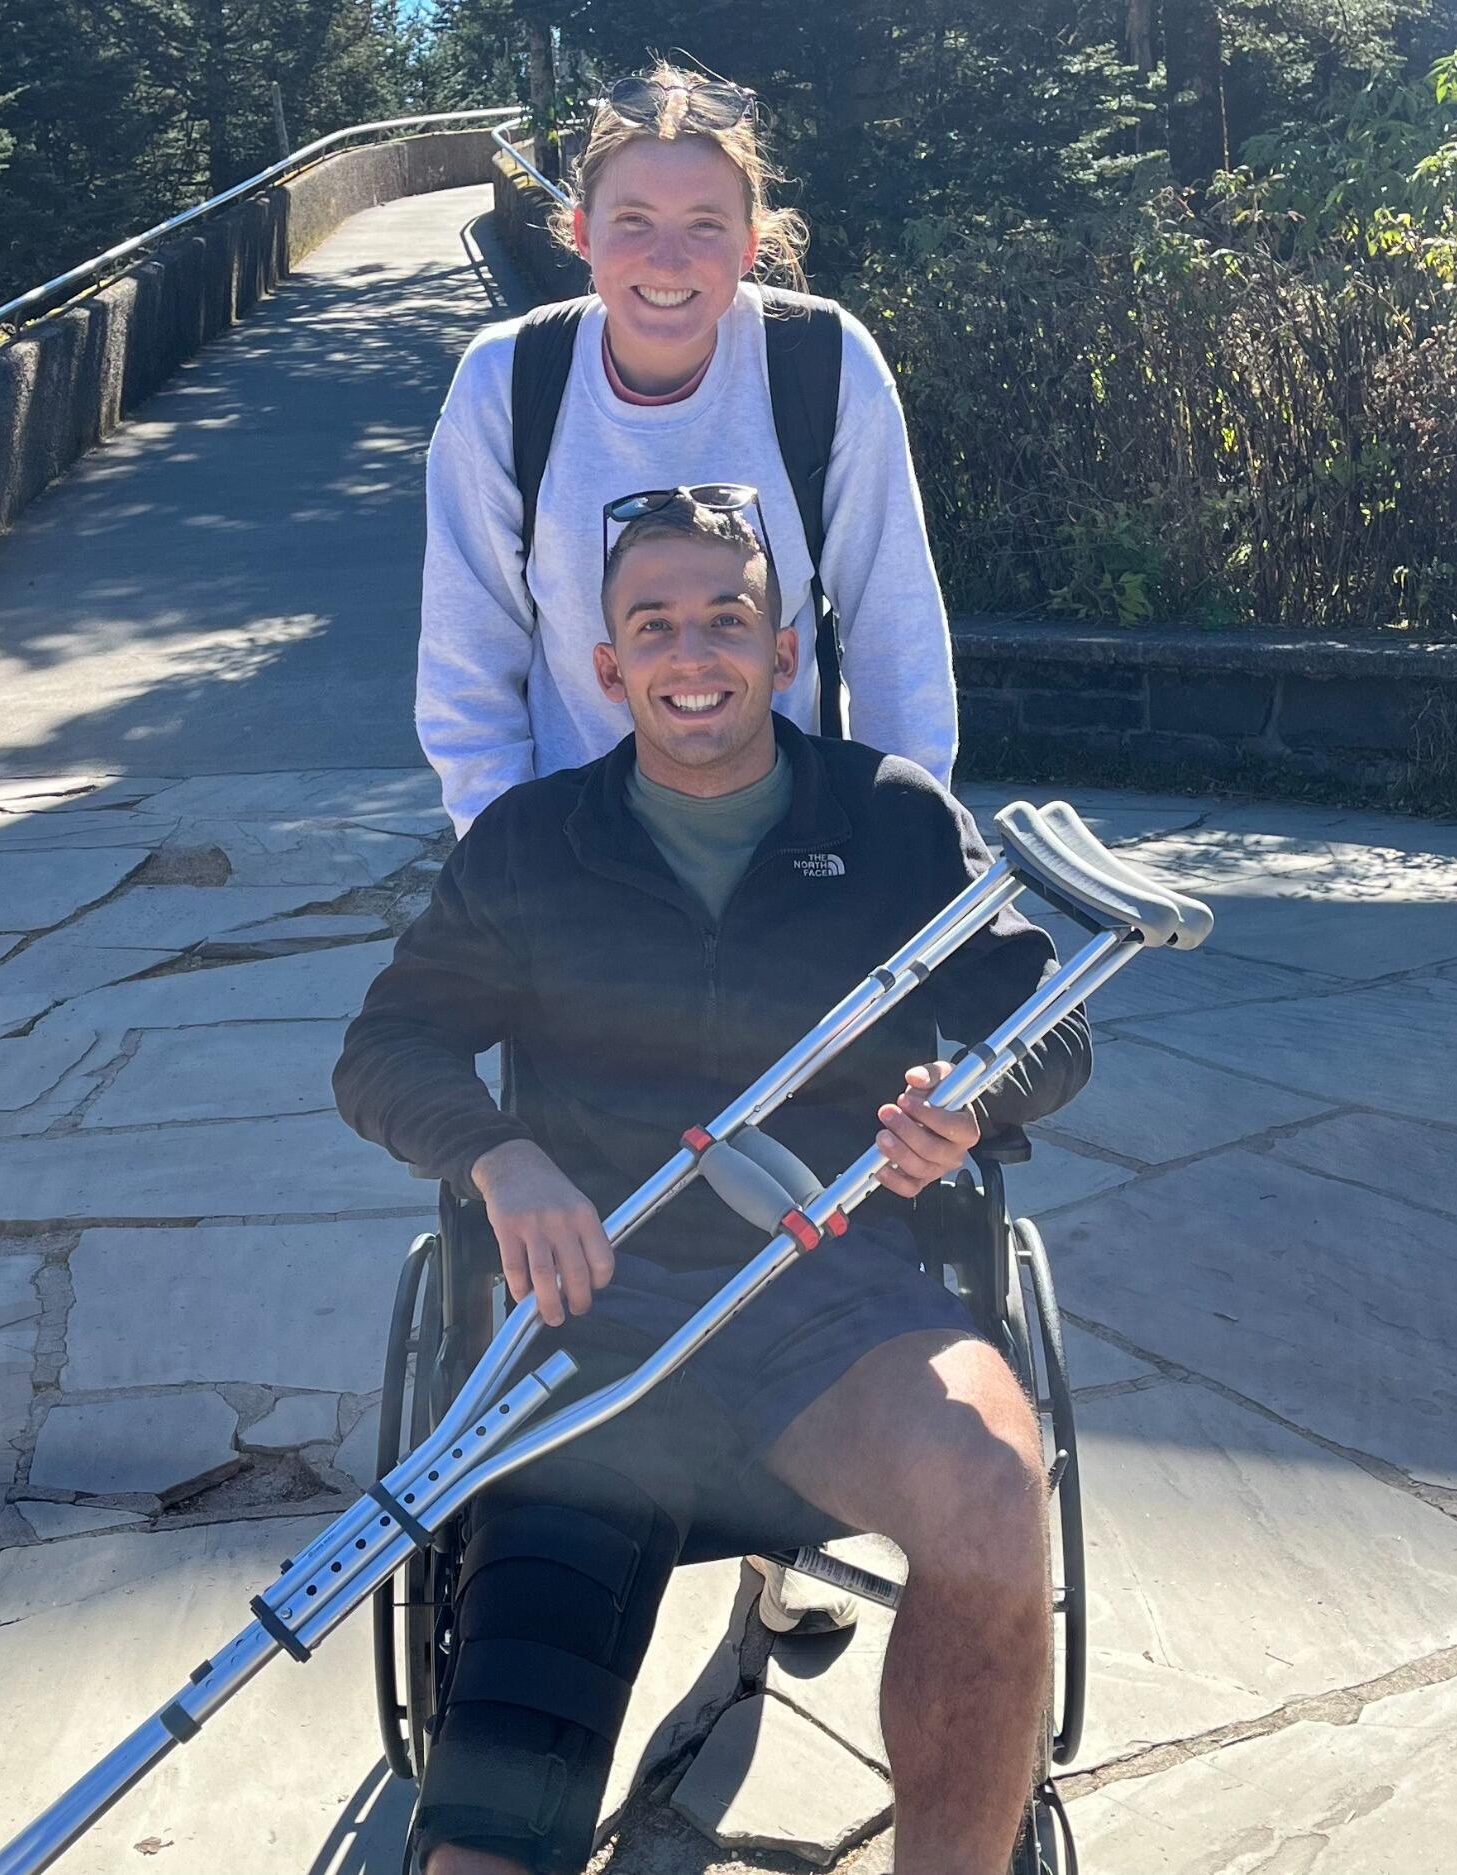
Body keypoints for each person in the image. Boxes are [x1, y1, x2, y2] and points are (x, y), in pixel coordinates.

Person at [335, 491, 1091, 1874]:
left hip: (832, 1296)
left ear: (784, 650)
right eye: (656, 625)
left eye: (728, 620)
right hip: (590, 1339)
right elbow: (387, 1046)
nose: (696, 652)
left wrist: (971, 1099)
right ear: (608, 666)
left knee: (993, 1479)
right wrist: (500, 1152)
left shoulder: (893, 819)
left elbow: (1047, 1018)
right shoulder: (529, 840)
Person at [417, 66, 958, 834]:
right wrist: (510, 866)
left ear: (750, 242)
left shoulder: (823, 365)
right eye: (633, 219)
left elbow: (894, 633)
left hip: (788, 844)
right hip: (577, 846)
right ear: (581, 233)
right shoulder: (506, 384)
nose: (668, 261)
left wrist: (908, 846)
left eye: (704, 224)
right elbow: (467, 660)